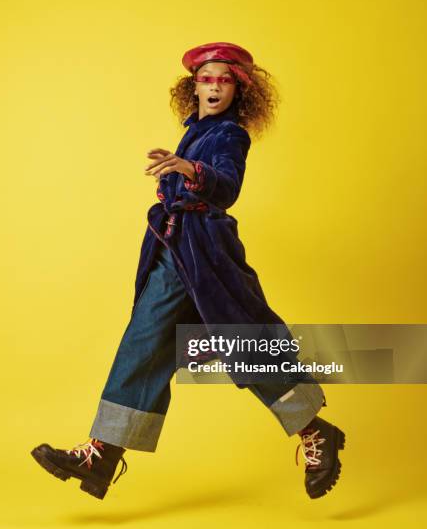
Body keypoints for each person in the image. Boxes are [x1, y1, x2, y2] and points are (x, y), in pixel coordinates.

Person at [31, 42, 345, 501]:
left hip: (207, 254)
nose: (214, 85)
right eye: (207, 78)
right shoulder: (196, 129)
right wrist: (178, 171)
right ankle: (102, 453)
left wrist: (191, 170)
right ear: (192, 86)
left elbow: (227, 186)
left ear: (240, 90)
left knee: (244, 345)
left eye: (225, 79)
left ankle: (316, 432)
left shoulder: (229, 136)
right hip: (174, 246)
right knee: (145, 342)